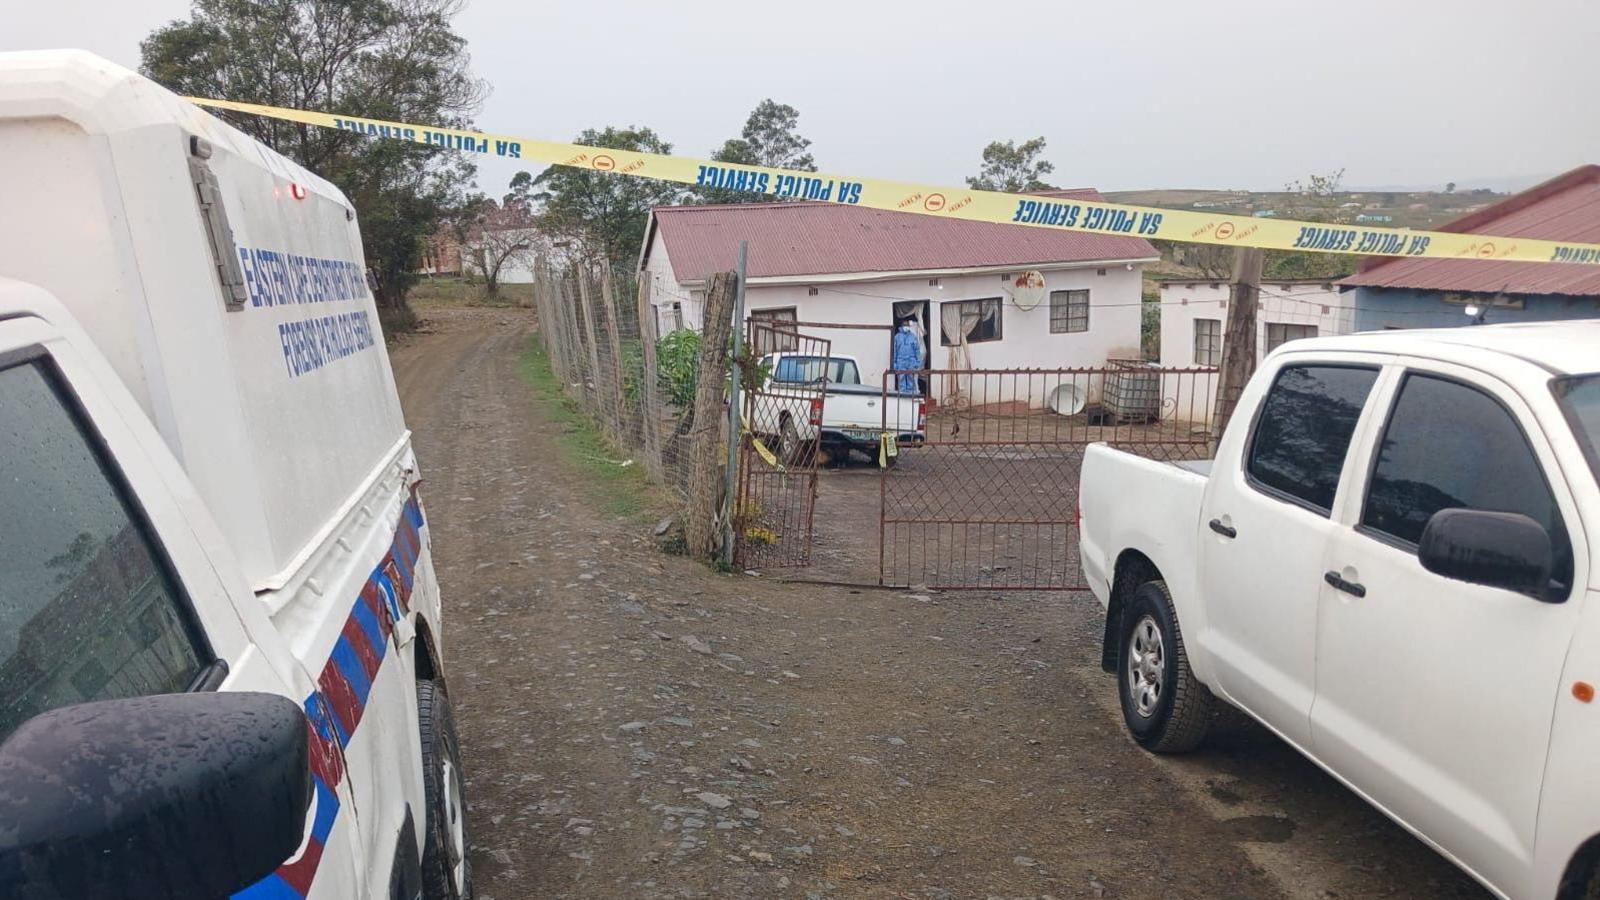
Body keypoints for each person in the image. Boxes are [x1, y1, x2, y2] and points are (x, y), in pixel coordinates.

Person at [891, 316, 924, 394]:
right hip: (900, 361)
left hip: (911, 362)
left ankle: (910, 398)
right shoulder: (897, 337)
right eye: (905, 325)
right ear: (901, 327)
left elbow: (917, 350)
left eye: (907, 326)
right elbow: (894, 350)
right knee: (901, 381)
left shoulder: (913, 337)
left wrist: (917, 362)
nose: (906, 327)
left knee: (911, 381)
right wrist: (895, 363)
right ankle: (902, 398)